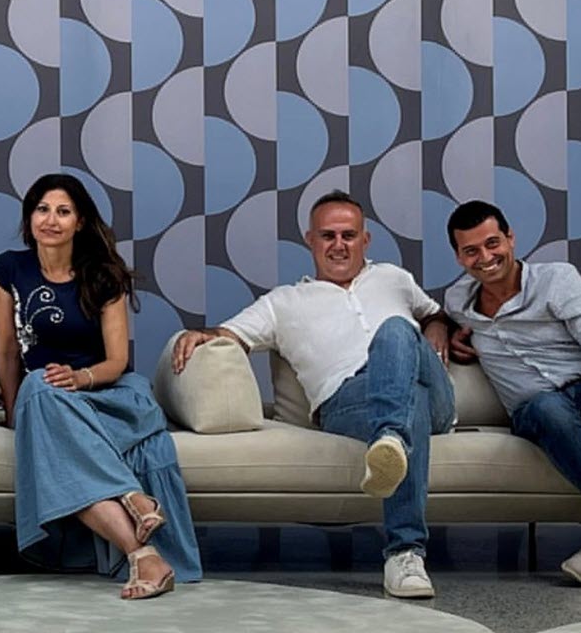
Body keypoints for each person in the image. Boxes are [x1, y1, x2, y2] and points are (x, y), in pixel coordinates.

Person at [171, 190, 453, 598]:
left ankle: (390, 438)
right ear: (310, 240)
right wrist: (201, 335)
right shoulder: (283, 303)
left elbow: (435, 313)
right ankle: (405, 555)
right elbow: (228, 335)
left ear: (365, 240)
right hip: (349, 403)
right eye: (328, 236)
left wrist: (439, 327)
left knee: (394, 328)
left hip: (434, 393)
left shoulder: (394, 279)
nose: (339, 245)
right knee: (414, 406)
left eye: (348, 235)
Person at [0, 173, 200, 600]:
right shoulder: (9, 269)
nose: (51, 220)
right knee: (39, 387)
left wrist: (80, 379)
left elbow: (117, 361)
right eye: (42, 209)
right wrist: (16, 413)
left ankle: (143, 551)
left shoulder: (103, 276)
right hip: (47, 396)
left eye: (63, 211)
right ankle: (137, 526)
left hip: (108, 396)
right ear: (29, 218)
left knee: (47, 396)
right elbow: (8, 351)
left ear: (80, 222)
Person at [445, 199, 581, 586]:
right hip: (536, 409)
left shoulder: (556, 281)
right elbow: (429, 313)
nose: (485, 257)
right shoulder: (458, 301)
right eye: (471, 250)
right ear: (459, 257)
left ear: (511, 238)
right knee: (548, 408)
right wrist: (440, 330)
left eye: (493, 243)